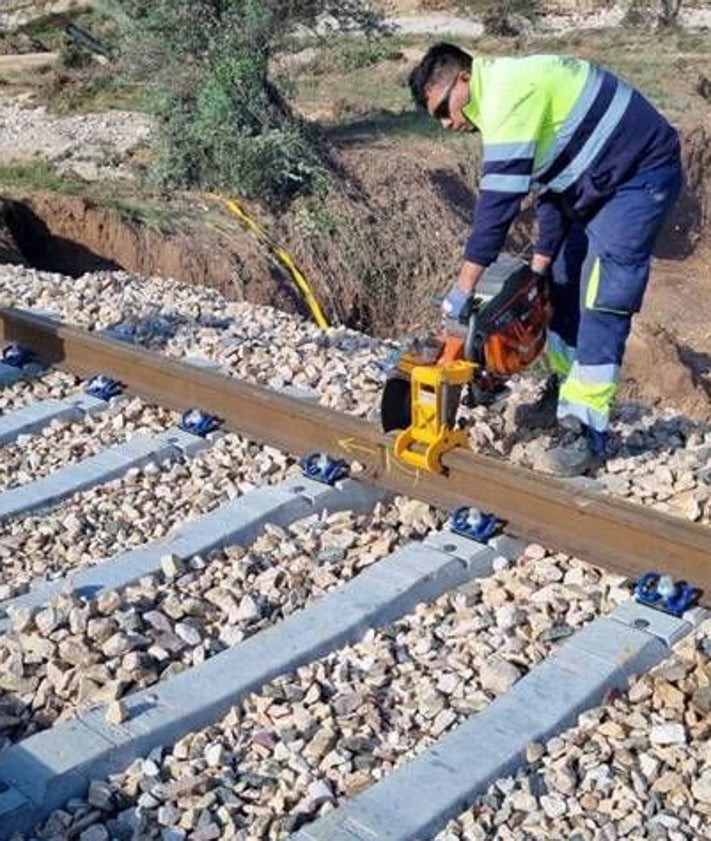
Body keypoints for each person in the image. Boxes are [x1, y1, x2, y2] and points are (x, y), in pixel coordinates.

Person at [408, 44, 683, 476]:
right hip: (591, 182)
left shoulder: (506, 95)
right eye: (437, 117)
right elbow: (555, 190)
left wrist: (462, 291)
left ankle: (587, 431)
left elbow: (497, 207)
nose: (446, 123)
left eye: (445, 108)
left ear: (463, 78)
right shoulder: (501, 97)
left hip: (639, 175)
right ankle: (562, 390)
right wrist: (538, 269)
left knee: (602, 297)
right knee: (560, 279)